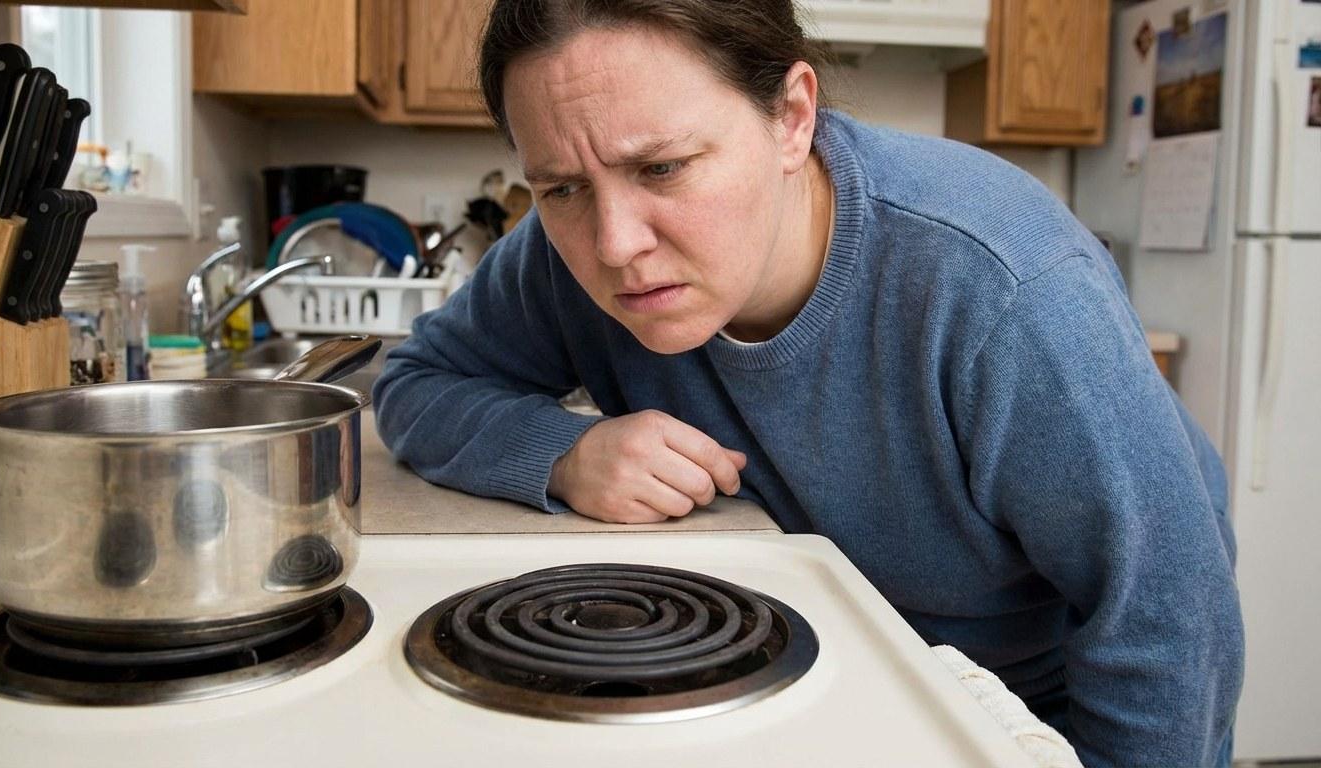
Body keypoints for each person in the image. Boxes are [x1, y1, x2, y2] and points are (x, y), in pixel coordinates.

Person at [376, 1, 1243, 764]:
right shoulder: (562, 260)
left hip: (1013, 717)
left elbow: (1171, 618)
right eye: (561, 187)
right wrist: (562, 454)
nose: (614, 246)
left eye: (663, 168)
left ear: (791, 117)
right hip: (793, 680)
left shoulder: (1003, 284)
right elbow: (417, 381)